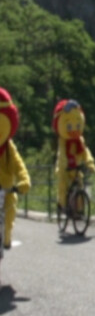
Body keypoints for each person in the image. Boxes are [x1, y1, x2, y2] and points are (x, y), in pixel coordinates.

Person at [52, 99, 95, 210]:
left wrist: (90, 163)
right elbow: (61, 153)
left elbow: (85, 151)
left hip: (76, 167)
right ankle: (61, 204)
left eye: (77, 126)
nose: (73, 130)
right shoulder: (63, 141)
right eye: (69, 127)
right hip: (64, 167)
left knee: (80, 186)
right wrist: (63, 165)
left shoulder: (79, 140)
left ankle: (79, 210)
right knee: (63, 185)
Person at [0, 88, 31, 249]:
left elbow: (19, 165)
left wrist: (24, 180)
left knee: (10, 211)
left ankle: (6, 236)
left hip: (6, 190)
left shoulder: (8, 148)